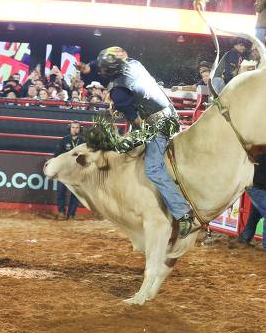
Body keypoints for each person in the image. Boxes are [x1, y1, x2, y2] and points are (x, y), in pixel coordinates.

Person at [77, 47, 195, 238]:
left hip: (159, 123)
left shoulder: (119, 93)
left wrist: (129, 139)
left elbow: (138, 124)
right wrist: (89, 69)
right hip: (170, 111)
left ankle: (183, 214)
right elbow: (107, 64)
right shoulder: (133, 64)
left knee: (152, 168)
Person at [54, 121, 85, 220]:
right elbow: (57, 155)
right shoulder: (64, 140)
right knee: (61, 192)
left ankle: (71, 214)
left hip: (77, 172)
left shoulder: (83, 142)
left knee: (75, 194)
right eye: (73, 127)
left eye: (77, 127)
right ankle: (61, 212)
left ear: (80, 129)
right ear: (69, 128)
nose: (75, 129)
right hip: (64, 171)